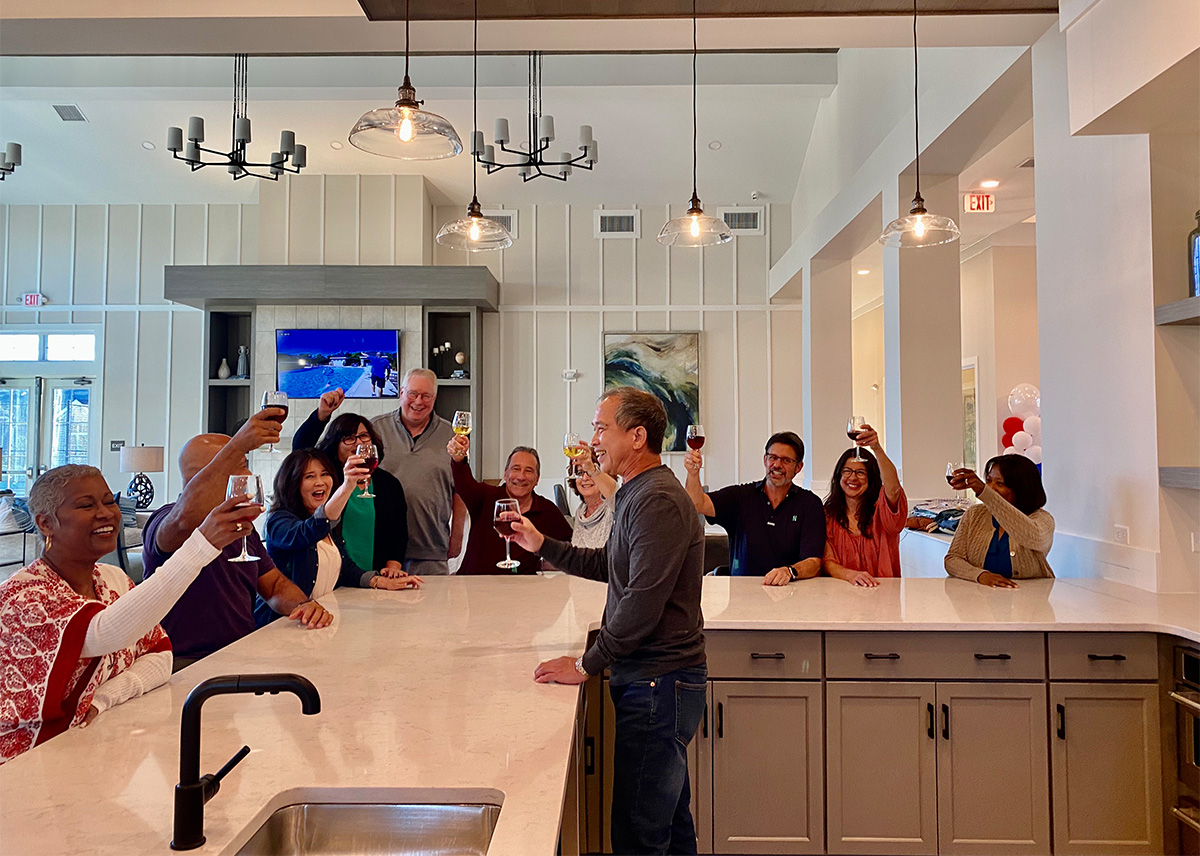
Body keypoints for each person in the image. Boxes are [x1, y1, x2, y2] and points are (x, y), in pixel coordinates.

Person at [509, 388, 706, 855]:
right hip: (657, 680)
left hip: (659, 683)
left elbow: (641, 603)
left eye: (601, 428)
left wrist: (584, 665)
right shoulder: (640, 491)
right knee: (670, 826)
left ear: (637, 436)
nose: (593, 440)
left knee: (639, 835)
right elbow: (610, 567)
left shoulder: (656, 498)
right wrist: (543, 545)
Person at [0, 465, 259, 763]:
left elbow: (160, 656)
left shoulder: (113, 579)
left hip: (95, 752)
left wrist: (102, 699)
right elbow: (106, 633)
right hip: (29, 763)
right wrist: (201, 546)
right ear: (45, 523)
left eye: (109, 501)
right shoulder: (23, 596)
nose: (106, 513)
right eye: (87, 505)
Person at [142, 410, 333, 669]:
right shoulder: (164, 521)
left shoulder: (241, 526)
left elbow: (274, 585)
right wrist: (238, 444)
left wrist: (303, 606)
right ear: (205, 476)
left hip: (239, 654)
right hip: (180, 664)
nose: (249, 473)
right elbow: (183, 521)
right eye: (241, 466)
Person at [259, 449, 420, 625]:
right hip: (279, 625)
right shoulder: (279, 521)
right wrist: (347, 487)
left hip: (315, 622)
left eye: (325, 474)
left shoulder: (329, 523)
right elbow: (305, 533)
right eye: (309, 477)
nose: (319, 482)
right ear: (292, 483)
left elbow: (345, 569)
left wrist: (380, 581)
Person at [683, 431, 824, 585]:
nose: (777, 465)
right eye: (773, 457)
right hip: (743, 596)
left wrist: (789, 571)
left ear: (798, 467)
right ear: (765, 460)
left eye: (786, 460)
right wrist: (692, 473)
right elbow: (697, 504)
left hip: (791, 593)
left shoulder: (810, 504)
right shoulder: (740, 497)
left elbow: (814, 563)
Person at [292, 393, 409, 575]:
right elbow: (300, 448)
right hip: (329, 576)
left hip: (374, 577)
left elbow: (398, 535)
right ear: (335, 445)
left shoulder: (388, 484)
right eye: (348, 438)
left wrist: (392, 569)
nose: (358, 443)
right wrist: (321, 414)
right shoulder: (327, 480)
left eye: (363, 436)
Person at [371, 369, 466, 575]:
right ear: (401, 393)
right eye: (413, 394)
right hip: (379, 548)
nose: (418, 401)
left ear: (435, 398)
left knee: (435, 607)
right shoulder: (374, 430)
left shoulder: (452, 435)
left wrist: (457, 535)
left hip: (431, 548)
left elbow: (461, 489)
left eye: (426, 396)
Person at [446, 436, 572, 574]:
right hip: (475, 587)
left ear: (537, 479)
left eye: (528, 471)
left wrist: (541, 565)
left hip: (522, 591)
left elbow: (570, 547)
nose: (521, 477)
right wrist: (459, 459)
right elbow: (464, 484)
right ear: (505, 474)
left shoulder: (546, 511)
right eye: (516, 469)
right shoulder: (485, 496)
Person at [946, 455, 1055, 588]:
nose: (991, 488)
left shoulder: (1042, 519)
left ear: (1021, 488)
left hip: (1030, 598)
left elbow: (1033, 537)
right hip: (980, 598)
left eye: (1000, 483)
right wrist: (980, 576)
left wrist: (984, 492)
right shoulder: (974, 514)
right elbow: (952, 560)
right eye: (989, 481)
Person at [822, 424, 908, 587]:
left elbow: (894, 489)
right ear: (839, 477)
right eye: (847, 471)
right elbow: (827, 562)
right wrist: (851, 575)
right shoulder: (827, 516)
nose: (852, 478)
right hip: (840, 599)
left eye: (860, 472)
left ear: (872, 478)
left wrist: (876, 448)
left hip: (882, 598)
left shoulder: (882, 514)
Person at [567, 447, 618, 548]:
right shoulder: (581, 512)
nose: (585, 478)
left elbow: (617, 496)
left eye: (589, 472)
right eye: (580, 473)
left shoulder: (613, 507)